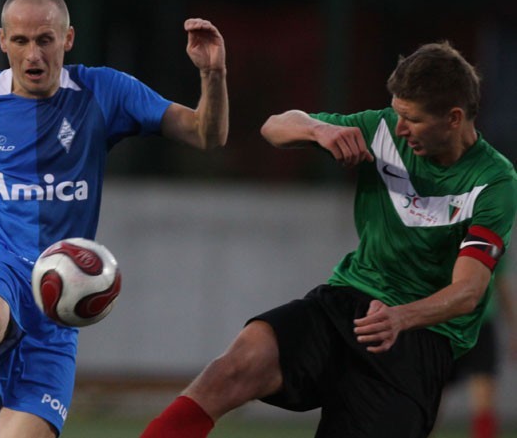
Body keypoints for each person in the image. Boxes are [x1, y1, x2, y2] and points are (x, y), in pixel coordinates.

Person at [0, 0, 228, 438]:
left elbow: (205, 135)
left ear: (68, 39)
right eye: (20, 41)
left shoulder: (103, 91)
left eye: (45, 40)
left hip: (56, 301)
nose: (33, 54)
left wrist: (212, 75)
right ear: (3, 41)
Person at [140, 41, 517, 438]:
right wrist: (320, 130)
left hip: (418, 338)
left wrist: (399, 318)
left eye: (413, 119)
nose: (400, 127)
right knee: (236, 365)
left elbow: (468, 292)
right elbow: (274, 126)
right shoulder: (381, 128)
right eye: (397, 113)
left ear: (454, 118)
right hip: (346, 302)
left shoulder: (494, 181)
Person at [441, 260, 517, 438]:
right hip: (446, 323)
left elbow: (501, 282)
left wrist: (514, 327)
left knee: (483, 397)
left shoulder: (492, 238)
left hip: (478, 323)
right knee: (432, 397)